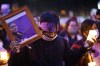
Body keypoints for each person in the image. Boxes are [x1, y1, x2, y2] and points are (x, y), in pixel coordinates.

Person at [8, 11, 96, 66]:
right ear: (40, 27)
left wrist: (85, 48)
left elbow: (71, 61)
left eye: (52, 30)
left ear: (58, 28)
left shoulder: (62, 41)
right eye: (46, 30)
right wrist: (15, 53)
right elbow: (14, 64)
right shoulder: (30, 42)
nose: (50, 34)